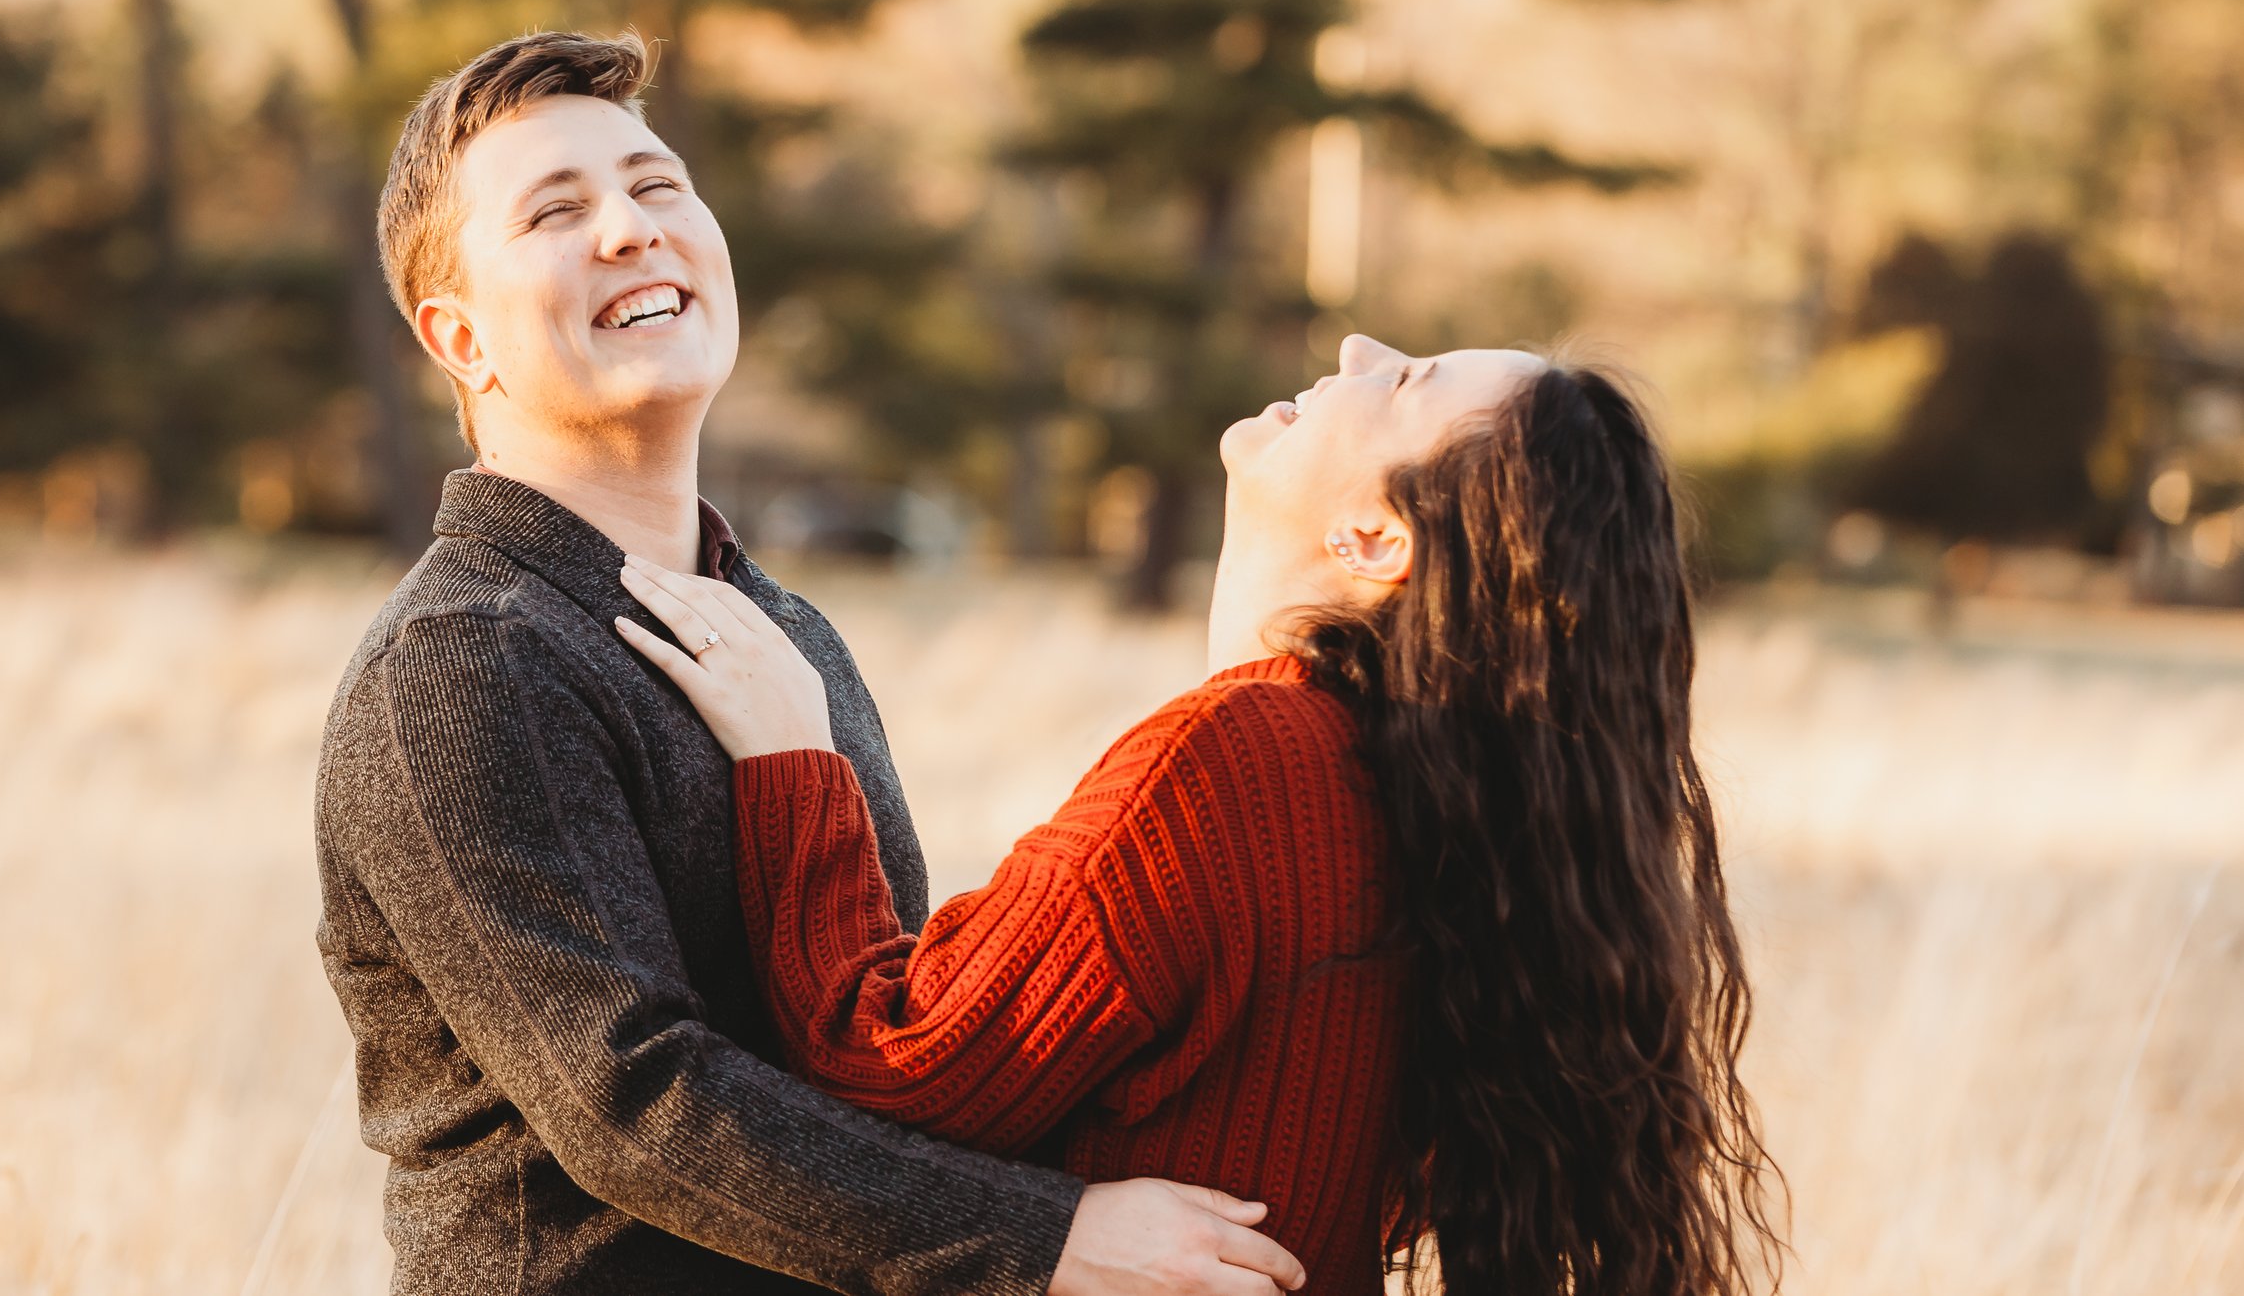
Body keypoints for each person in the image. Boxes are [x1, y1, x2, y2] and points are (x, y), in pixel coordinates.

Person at [313, 30, 1307, 1296]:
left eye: (656, 183)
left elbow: (875, 1024)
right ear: (461, 338)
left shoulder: (785, 631)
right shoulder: (464, 662)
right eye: (556, 211)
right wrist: (1047, 1236)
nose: (630, 227)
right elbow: (631, 1098)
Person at [618, 337, 1785, 1296]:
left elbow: (882, 1058)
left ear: (1373, 539)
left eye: (1401, 380)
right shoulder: (1416, 797)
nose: (1356, 348)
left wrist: (790, 755)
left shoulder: (1240, 757)